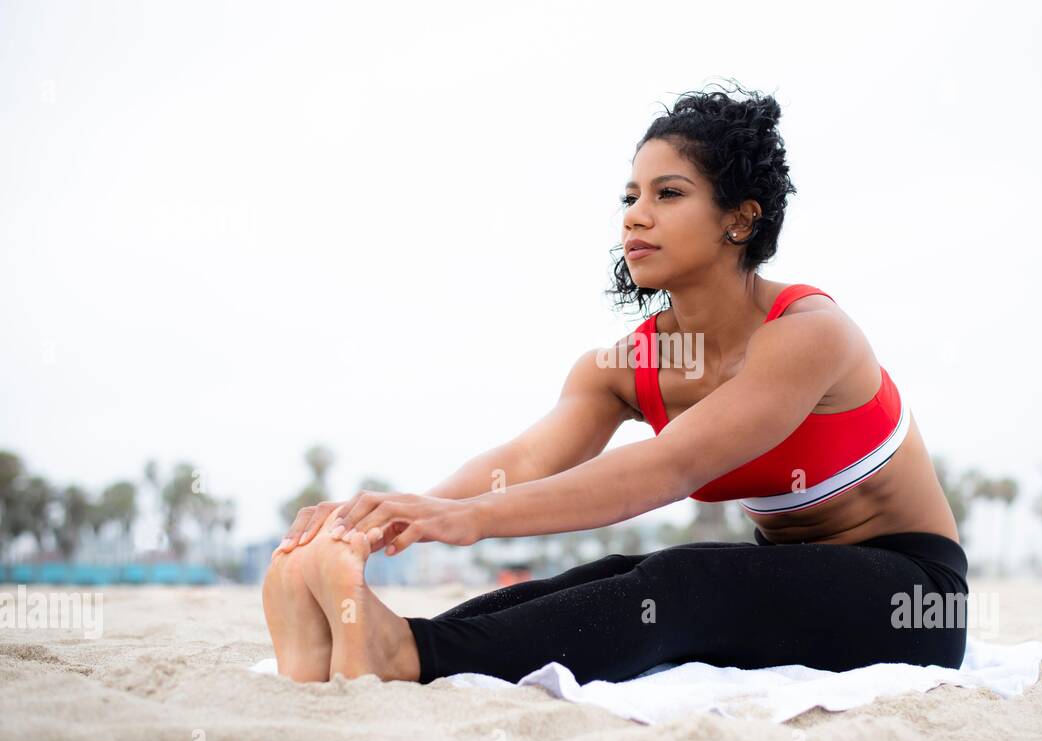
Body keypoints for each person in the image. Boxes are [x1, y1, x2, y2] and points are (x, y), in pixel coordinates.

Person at [261, 81, 969, 685]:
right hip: (793, 580)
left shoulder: (809, 334)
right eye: (630, 195)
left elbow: (669, 465)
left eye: (669, 193)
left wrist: (470, 520)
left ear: (739, 218)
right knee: (615, 574)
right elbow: (528, 461)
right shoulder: (626, 367)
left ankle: (407, 653)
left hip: (914, 597)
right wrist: (405, 512)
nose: (635, 214)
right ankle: (366, 636)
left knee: (682, 582)